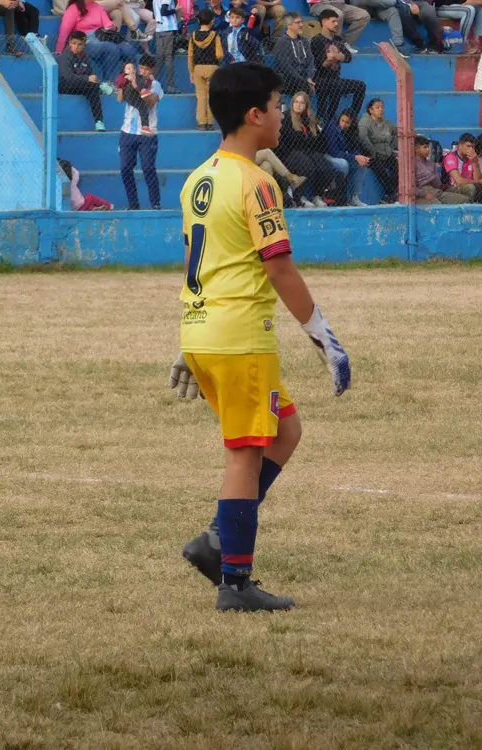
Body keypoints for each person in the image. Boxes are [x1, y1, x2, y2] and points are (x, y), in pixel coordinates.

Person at [171, 61, 350, 613]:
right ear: (255, 114)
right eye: (276, 106)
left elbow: (196, 262)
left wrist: (187, 341)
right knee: (245, 454)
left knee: (285, 431)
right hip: (240, 335)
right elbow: (281, 271)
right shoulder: (257, 182)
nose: (281, 115)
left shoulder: (199, 177)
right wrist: (324, 337)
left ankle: (219, 540)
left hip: (203, 328)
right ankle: (235, 582)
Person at [275, 91, 346, 207]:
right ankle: (299, 197)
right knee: (308, 167)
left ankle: (316, 195)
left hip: (308, 151)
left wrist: (319, 131)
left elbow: (318, 142)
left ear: (306, 105)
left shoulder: (309, 119)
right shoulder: (286, 117)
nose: (298, 105)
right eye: (296, 102)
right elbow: (284, 141)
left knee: (326, 167)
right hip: (290, 152)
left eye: (302, 103)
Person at [118, 54, 164, 209]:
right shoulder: (131, 78)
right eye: (141, 68)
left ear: (153, 70)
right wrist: (122, 84)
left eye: (146, 69)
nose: (143, 72)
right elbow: (120, 97)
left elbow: (151, 103)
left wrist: (139, 87)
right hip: (127, 132)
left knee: (148, 168)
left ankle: (155, 205)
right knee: (125, 168)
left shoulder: (155, 85)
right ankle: (133, 204)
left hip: (147, 134)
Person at [56, 0, 139, 81]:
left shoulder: (97, 7)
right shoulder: (73, 9)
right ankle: (108, 83)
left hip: (102, 37)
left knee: (129, 49)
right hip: (86, 41)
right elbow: (64, 32)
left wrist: (112, 27)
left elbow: (108, 24)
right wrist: (59, 51)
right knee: (111, 48)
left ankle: (135, 81)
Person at [311, 9, 366, 122]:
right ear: (324, 22)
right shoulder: (316, 40)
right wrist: (330, 60)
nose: (337, 24)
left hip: (335, 79)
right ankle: (324, 118)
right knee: (335, 85)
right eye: (333, 21)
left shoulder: (338, 39)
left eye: (337, 21)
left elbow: (348, 57)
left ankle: (351, 117)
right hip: (320, 80)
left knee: (361, 86)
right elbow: (317, 64)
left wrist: (339, 57)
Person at [60, 32, 111, 132]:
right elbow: (68, 77)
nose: (76, 47)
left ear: (84, 45)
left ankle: (99, 122)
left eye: (79, 44)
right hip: (66, 86)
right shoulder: (65, 56)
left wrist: (92, 79)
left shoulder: (85, 57)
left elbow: (89, 74)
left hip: (81, 86)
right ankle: (100, 86)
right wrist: (87, 79)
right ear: (69, 43)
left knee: (93, 91)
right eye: (74, 43)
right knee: (91, 85)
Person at [325, 109, 370, 206]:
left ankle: (354, 197)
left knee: (363, 164)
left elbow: (355, 148)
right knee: (343, 164)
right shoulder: (332, 127)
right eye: (342, 120)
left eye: (347, 122)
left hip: (343, 156)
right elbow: (334, 152)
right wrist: (355, 157)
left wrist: (360, 157)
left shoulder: (352, 131)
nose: (344, 124)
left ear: (352, 123)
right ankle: (337, 193)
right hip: (327, 156)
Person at [189, 9, 225, 130]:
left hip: (198, 68)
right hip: (212, 67)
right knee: (211, 96)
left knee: (201, 96)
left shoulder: (193, 36)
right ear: (211, 22)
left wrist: (191, 71)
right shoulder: (215, 35)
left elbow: (190, 55)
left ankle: (201, 123)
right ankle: (210, 122)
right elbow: (220, 54)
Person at [358, 98, 398, 201]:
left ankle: (389, 195)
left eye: (382, 107)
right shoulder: (365, 121)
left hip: (386, 154)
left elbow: (398, 131)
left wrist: (391, 147)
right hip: (372, 155)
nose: (381, 110)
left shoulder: (386, 123)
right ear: (370, 110)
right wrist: (373, 151)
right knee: (381, 171)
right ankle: (391, 194)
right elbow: (363, 137)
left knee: (397, 167)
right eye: (377, 107)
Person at [414, 135, 471, 203]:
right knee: (437, 204)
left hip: (436, 190)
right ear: (416, 149)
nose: (428, 150)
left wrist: (433, 177)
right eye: (425, 147)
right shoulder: (412, 164)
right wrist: (424, 194)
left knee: (464, 200)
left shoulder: (432, 164)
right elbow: (410, 187)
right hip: (422, 192)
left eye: (428, 147)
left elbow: (438, 185)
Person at [442, 133, 482, 203]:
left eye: (473, 147)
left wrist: (475, 163)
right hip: (452, 189)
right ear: (460, 146)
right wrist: (479, 181)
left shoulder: (472, 158)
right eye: (468, 146)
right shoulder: (451, 157)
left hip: (472, 187)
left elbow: (478, 181)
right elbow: (459, 181)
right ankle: (470, 210)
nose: (471, 149)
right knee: (470, 187)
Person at [272, 13, 316, 98]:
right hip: (289, 79)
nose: (301, 25)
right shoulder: (282, 42)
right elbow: (284, 66)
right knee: (305, 86)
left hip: (304, 78)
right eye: (298, 22)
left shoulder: (304, 41)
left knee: (323, 84)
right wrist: (303, 80)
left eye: (301, 22)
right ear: (288, 25)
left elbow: (311, 60)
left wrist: (309, 77)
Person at [153, 0, 183, 92]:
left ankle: (155, 85)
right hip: (168, 28)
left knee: (159, 58)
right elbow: (164, 11)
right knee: (168, 57)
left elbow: (154, 14)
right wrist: (176, 10)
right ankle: (170, 86)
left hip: (159, 29)